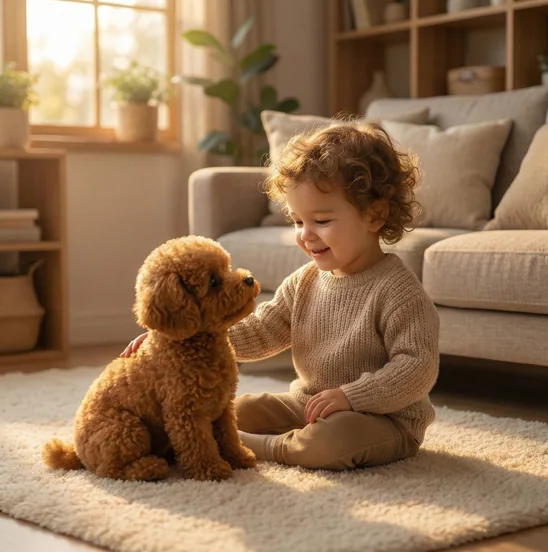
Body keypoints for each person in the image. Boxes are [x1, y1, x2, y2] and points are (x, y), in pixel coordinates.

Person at [122, 121, 440, 471]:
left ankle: (254, 446)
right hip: (308, 404)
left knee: (326, 444)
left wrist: (351, 397)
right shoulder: (304, 281)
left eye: (320, 221)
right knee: (237, 410)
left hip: (383, 419)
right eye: (297, 221)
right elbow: (260, 331)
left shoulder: (399, 291)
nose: (305, 235)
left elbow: (417, 368)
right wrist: (182, 339)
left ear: (374, 215)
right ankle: (230, 436)